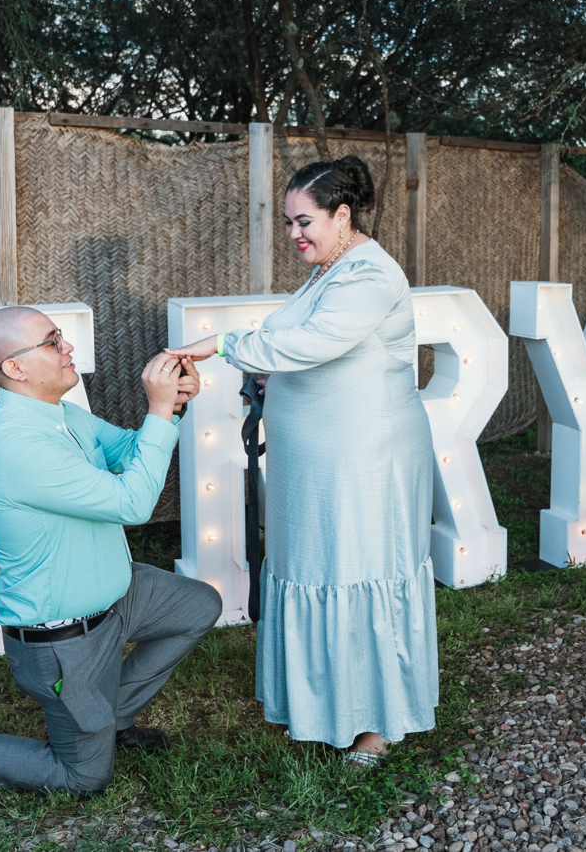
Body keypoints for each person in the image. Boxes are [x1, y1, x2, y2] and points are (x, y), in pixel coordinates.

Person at [0, 305, 222, 806]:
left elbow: (132, 451)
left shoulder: (61, 415)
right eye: (51, 341)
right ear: (16, 368)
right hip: (64, 638)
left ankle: (111, 718)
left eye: (61, 335)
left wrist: (170, 408)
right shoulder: (19, 444)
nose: (67, 348)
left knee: (199, 606)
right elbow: (132, 502)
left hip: (118, 594)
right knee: (83, 778)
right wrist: (156, 412)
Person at [167, 155, 437, 765]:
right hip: (315, 463)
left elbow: (315, 343)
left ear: (343, 215)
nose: (294, 235)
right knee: (317, 568)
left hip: (363, 461)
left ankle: (374, 724)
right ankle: (323, 705)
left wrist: (226, 345)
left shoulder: (370, 276)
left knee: (357, 568)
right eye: (288, 223)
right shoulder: (328, 271)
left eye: (303, 221)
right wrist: (262, 379)